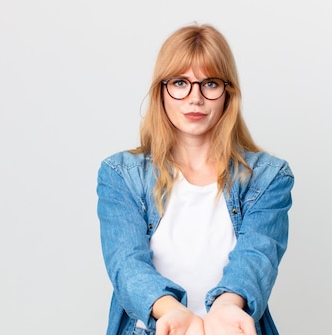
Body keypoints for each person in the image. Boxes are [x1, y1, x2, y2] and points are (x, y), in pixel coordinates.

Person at [97, 23, 294, 335]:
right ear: (161, 90)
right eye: (180, 82)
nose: (195, 98)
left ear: (228, 93)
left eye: (210, 84)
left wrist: (227, 308)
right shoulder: (121, 175)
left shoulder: (268, 178)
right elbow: (126, 264)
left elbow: (257, 256)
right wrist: (173, 312)